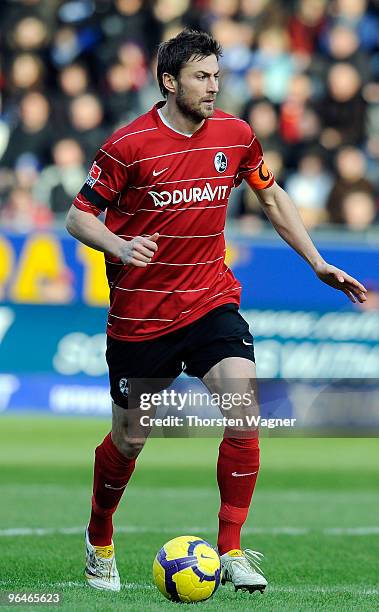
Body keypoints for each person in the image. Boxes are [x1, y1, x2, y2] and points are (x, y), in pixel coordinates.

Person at [65, 29, 367, 595]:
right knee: (130, 439)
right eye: (201, 77)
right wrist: (118, 245)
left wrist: (317, 262)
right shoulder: (127, 145)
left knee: (244, 409)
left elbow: (271, 197)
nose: (213, 87)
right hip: (142, 317)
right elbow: (79, 217)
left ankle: (229, 549)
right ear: (169, 81)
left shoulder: (236, 134)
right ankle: (100, 537)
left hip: (210, 300)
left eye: (217, 76)